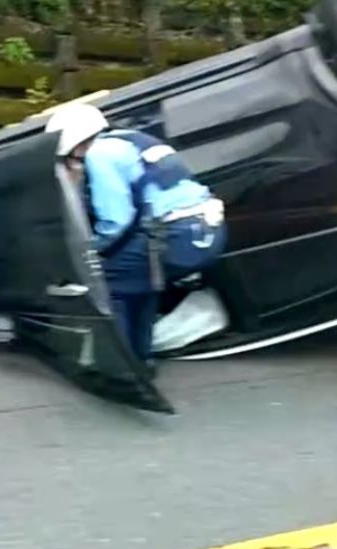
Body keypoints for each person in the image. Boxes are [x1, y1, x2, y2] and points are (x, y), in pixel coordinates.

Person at [44, 103, 227, 367]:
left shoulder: (99, 154)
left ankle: (121, 366)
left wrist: (87, 250)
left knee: (107, 282)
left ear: (73, 142)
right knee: (142, 281)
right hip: (207, 228)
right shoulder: (132, 139)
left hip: (176, 234)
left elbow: (116, 220)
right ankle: (142, 359)